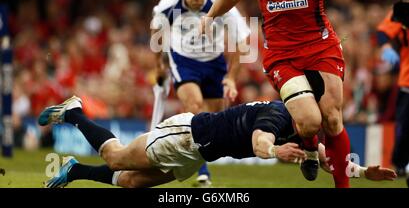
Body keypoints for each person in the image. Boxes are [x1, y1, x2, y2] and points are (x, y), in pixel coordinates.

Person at [199, 0, 373, 188]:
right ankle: (308, 147)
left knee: (331, 118)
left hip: (321, 44)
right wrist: (210, 16)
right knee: (309, 122)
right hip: (281, 54)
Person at [38, 96, 396, 188]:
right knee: (117, 160)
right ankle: (75, 113)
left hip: (197, 154)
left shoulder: (308, 127)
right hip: (186, 135)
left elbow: (329, 158)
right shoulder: (279, 115)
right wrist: (274, 151)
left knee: (131, 183)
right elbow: (259, 141)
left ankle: (75, 171)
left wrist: (364, 172)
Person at [150, 0, 250, 186]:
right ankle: (203, 172)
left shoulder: (222, 3)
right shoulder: (168, 6)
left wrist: (231, 77)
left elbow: (243, 44)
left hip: (214, 63)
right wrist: (159, 65)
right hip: (183, 61)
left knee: (213, 120)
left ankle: (191, 159)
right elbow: (156, 31)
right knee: (195, 108)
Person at [376, 0, 409, 186]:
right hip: (407, 80)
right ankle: (399, 162)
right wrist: (386, 47)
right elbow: (382, 33)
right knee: (405, 128)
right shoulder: (399, 12)